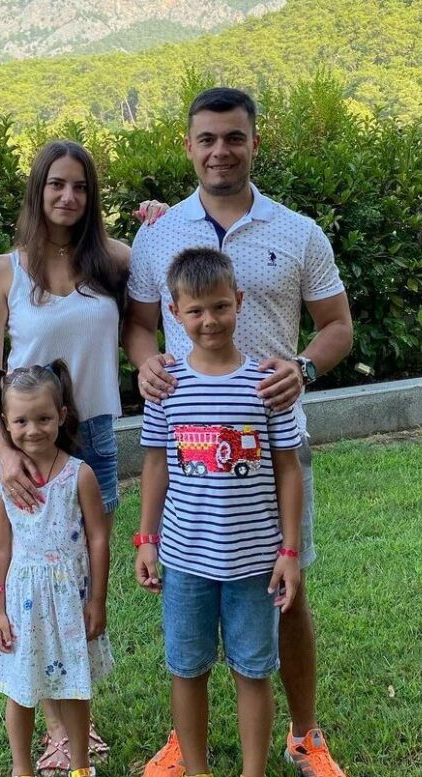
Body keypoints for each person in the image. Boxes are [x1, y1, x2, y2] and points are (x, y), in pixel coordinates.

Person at [123, 88, 354, 777]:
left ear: (255, 142)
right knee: (189, 589)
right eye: (207, 139)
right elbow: (138, 324)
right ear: (188, 146)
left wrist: (303, 368)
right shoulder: (159, 232)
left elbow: (338, 325)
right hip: (188, 449)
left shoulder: (299, 232)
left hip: (273, 441)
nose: (220, 150)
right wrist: (146, 364)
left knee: (286, 588)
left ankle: (304, 733)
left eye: (233, 137)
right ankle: (185, 742)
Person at [0, 139, 166, 773]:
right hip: (24, 442)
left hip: (94, 437)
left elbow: (175, 276)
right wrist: (2, 448)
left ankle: (72, 716)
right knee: (33, 575)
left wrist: (164, 223)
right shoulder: (3, 272)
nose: (68, 196)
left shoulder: (113, 260)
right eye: (57, 184)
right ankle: (59, 733)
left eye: (80, 186)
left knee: (77, 576)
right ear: (38, 189)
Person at [135, 248, 303, 777]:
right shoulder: (165, 386)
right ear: (174, 312)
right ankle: (197, 769)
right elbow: (155, 466)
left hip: (255, 565)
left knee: (253, 671)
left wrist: (289, 550)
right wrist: (146, 540)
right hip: (185, 561)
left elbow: (289, 471)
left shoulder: (267, 384)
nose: (209, 320)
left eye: (220, 307)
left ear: (239, 301)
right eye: (195, 310)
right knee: (187, 670)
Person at [0, 361, 113, 777]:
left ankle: (80, 766)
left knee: (75, 687)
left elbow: (98, 538)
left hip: (71, 602)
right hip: (24, 606)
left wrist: (97, 600)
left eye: (43, 418)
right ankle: (21, 768)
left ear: (61, 415)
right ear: (5, 423)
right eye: (21, 421)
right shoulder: (3, 487)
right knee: (21, 691)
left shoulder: (80, 475)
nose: (33, 430)